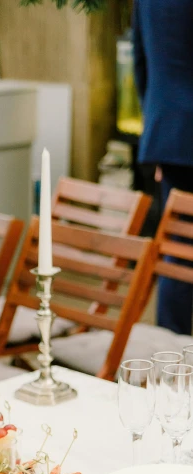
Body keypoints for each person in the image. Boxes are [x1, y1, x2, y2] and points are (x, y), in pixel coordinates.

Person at [132, 0, 193, 335]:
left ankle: (170, 353)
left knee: (177, 245)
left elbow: (140, 63)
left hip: (168, 133)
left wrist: (160, 128)